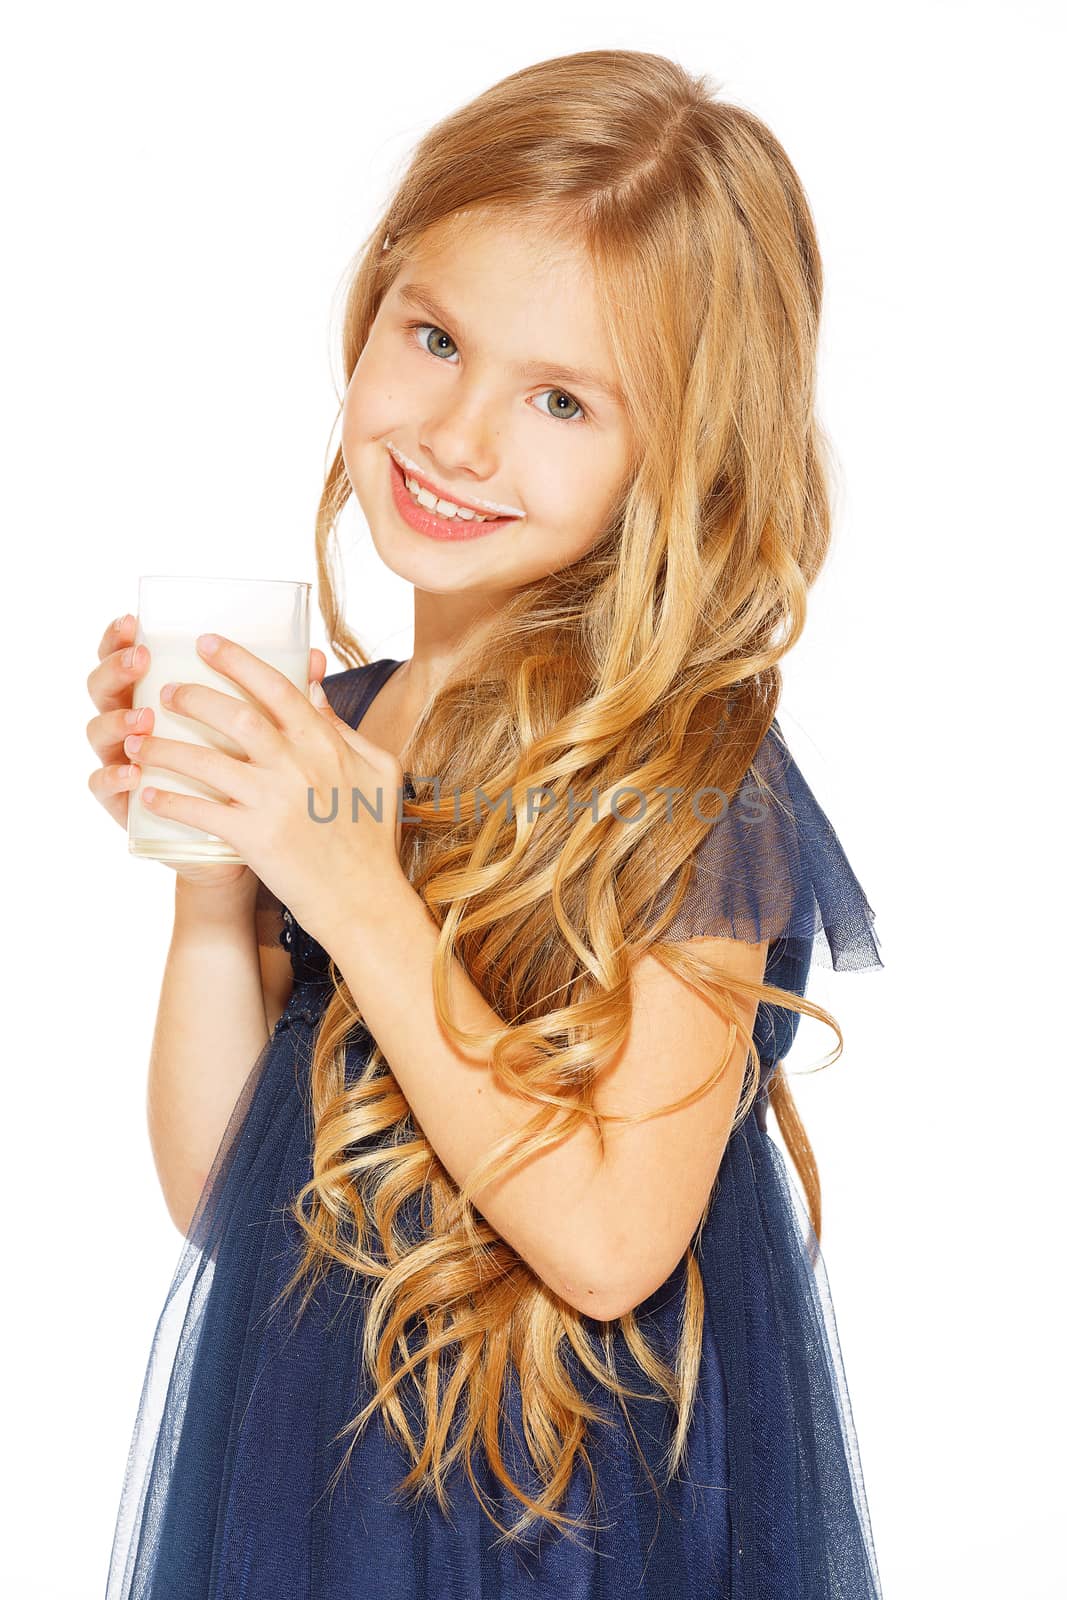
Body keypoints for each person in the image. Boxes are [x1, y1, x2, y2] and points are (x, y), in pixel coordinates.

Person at [88, 48, 884, 1599]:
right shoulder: (356, 723)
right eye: (435, 337)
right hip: (323, 1493)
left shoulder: (691, 779)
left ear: (681, 461)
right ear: (371, 307)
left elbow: (606, 1246)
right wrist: (211, 872)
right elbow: (221, 1204)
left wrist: (357, 889)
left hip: (563, 1533)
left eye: (563, 400)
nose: (458, 436)